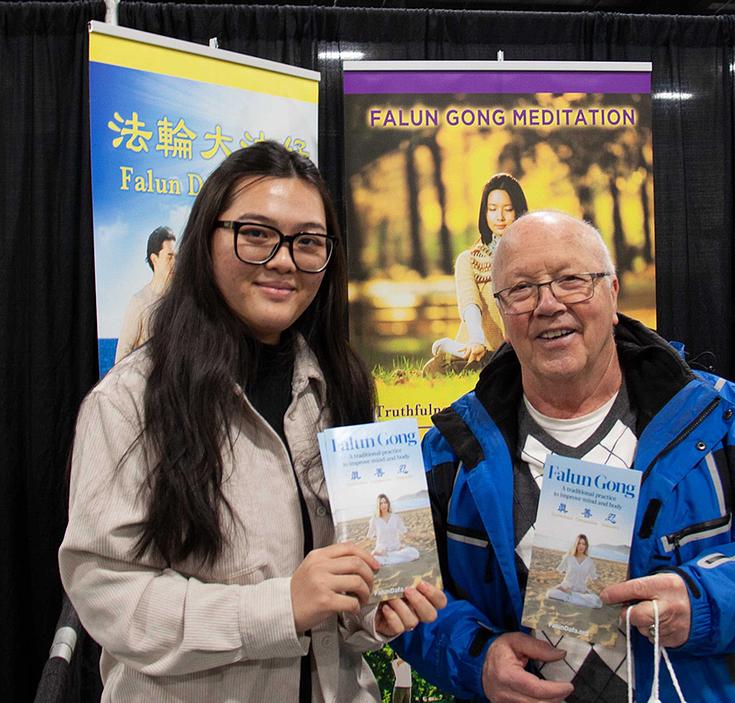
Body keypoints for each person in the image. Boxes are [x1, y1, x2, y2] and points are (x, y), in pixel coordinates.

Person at [395, 211, 735, 702]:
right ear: (499, 309)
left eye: (572, 281)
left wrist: (703, 600)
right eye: (521, 289)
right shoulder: (451, 450)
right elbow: (404, 594)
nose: (548, 304)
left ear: (612, 292)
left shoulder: (724, 420)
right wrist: (477, 660)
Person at [60, 141, 446, 702]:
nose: (285, 259)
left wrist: (373, 611)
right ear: (205, 241)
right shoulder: (130, 403)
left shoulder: (340, 390)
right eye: (257, 234)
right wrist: (279, 607)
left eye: (308, 242)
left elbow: (349, 581)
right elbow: (108, 596)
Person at [423, 173, 528, 375]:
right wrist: (477, 340)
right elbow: (471, 304)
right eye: (492, 209)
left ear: (519, 211)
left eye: (508, 209)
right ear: (484, 212)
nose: (500, 217)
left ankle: (451, 351)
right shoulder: (469, 260)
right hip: (482, 346)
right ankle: (463, 354)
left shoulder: (530, 255)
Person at [114, 225, 176, 362]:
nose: (175, 262)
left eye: (176, 257)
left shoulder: (179, 302)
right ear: (155, 259)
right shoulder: (139, 302)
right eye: (170, 257)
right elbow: (122, 356)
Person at [546, 535, 602, 609]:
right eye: (579, 543)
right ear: (576, 545)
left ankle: (572, 597)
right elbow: (557, 572)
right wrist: (539, 574)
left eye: (583, 544)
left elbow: (594, 579)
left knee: (596, 601)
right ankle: (576, 599)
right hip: (565, 589)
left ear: (586, 546)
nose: (581, 546)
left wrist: (605, 588)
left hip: (581, 591)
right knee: (550, 593)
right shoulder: (568, 557)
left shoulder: (590, 562)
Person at [368, 494, 420, 565]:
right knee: (376, 558)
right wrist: (374, 552)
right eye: (381, 503)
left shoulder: (395, 517)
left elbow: (406, 533)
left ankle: (392, 557)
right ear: (378, 505)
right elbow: (368, 539)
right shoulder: (374, 520)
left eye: (385, 502)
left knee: (414, 553)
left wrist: (422, 535)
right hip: (382, 552)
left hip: (396, 549)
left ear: (388, 504)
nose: (384, 505)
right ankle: (390, 557)